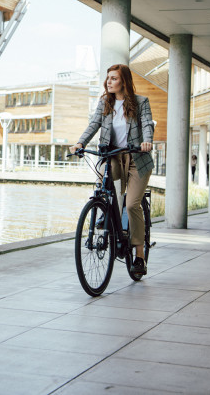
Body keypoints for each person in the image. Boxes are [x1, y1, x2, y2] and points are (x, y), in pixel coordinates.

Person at [70, 64, 154, 276]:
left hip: (137, 157)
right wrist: (80, 143)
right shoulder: (104, 102)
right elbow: (93, 124)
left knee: (133, 204)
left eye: (114, 78)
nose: (109, 81)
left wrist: (147, 142)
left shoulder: (141, 102)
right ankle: (105, 211)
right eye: (108, 78)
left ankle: (139, 256)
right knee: (102, 174)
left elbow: (146, 125)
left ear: (123, 81)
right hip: (113, 155)